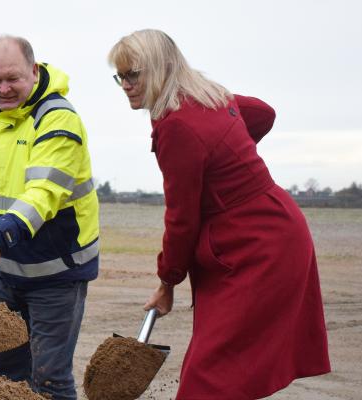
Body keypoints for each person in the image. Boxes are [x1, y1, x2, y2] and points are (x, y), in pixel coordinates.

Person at [107, 29, 330, 399]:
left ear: (161, 69)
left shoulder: (178, 124)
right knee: (220, 371)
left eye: (134, 75)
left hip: (257, 246)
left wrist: (167, 282)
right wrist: (226, 158)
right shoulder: (208, 98)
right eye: (121, 76)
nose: (126, 85)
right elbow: (262, 113)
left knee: (209, 379)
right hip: (265, 229)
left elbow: (181, 219)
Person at [0, 35, 100, 400]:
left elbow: (42, 195)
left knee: (50, 377)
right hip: (12, 265)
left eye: (13, 79)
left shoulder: (58, 119)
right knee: (9, 373)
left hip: (57, 268)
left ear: (34, 72)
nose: (3, 89)